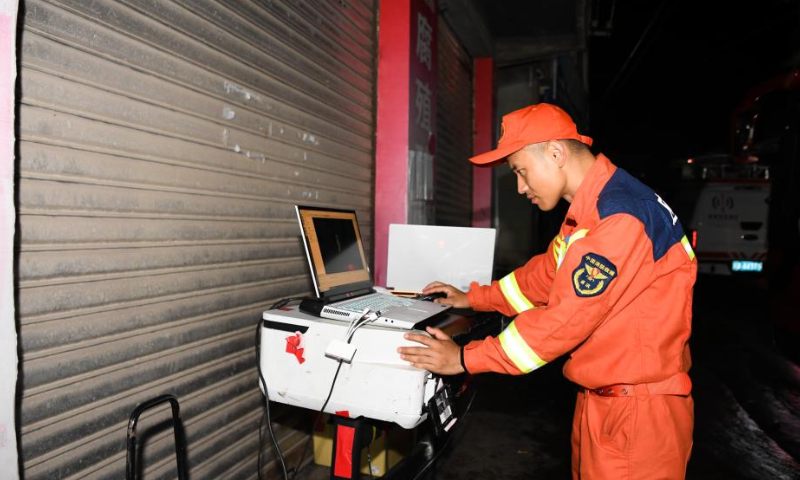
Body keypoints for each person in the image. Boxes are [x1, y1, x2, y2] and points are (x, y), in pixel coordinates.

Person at [397, 103, 696, 480]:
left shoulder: (620, 217)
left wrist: (464, 358)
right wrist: (472, 298)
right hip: (608, 401)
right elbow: (544, 277)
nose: (521, 188)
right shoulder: (592, 211)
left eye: (521, 171)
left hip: (635, 416)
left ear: (555, 153)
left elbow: (562, 322)